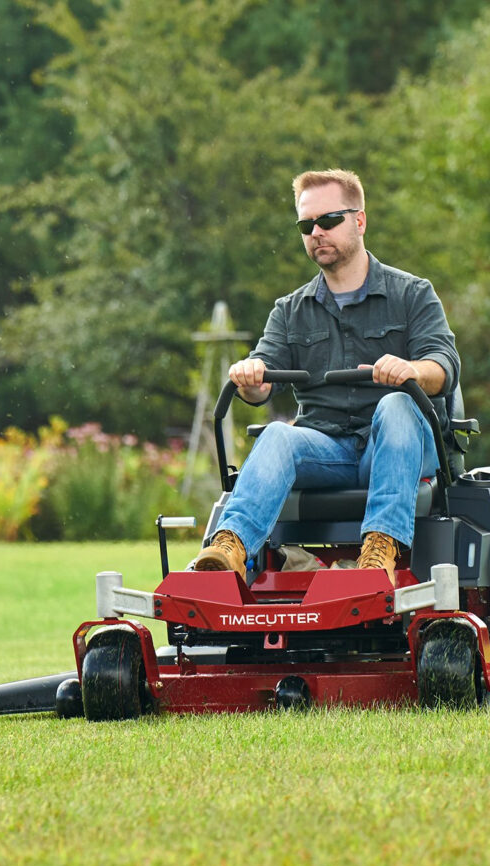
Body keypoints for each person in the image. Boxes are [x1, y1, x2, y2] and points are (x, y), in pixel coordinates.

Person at [193, 169, 460, 585]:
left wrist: (411, 371)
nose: (316, 232)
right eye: (306, 225)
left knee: (396, 403)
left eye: (328, 220)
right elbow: (262, 381)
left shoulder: (413, 294)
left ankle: (380, 551)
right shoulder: (289, 309)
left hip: (397, 444)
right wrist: (249, 378)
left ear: (360, 221)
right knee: (277, 434)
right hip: (328, 450)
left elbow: (443, 366)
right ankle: (228, 548)